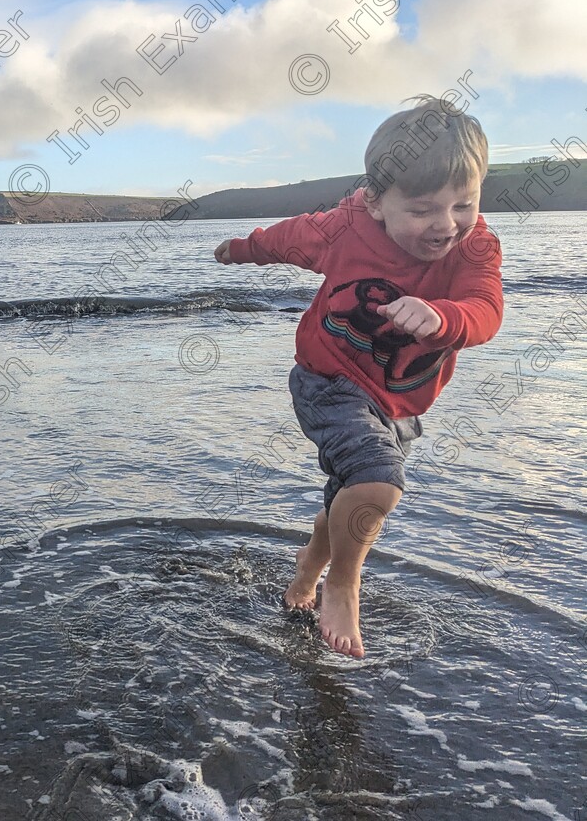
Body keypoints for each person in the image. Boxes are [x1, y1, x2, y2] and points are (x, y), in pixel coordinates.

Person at [213, 94, 503, 659]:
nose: (447, 226)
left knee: (351, 494)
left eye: (463, 204)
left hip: (398, 402)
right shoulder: (345, 228)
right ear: (375, 202)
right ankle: (343, 585)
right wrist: (242, 249)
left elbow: (486, 309)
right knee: (376, 482)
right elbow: (288, 237)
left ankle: (306, 574)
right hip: (328, 380)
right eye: (422, 210)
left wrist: (445, 316)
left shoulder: (476, 246)